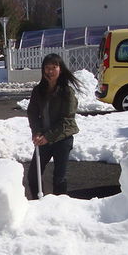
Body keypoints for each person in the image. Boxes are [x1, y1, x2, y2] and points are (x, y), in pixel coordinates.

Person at [26, 53, 81, 199]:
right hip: (43, 138)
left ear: (60, 69)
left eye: (54, 67)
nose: (50, 71)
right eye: (47, 67)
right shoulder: (38, 91)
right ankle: (39, 203)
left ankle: (59, 210)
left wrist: (48, 137)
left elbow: (67, 120)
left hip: (62, 139)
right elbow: (32, 112)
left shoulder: (67, 92)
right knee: (33, 176)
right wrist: (36, 132)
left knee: (59, 178)